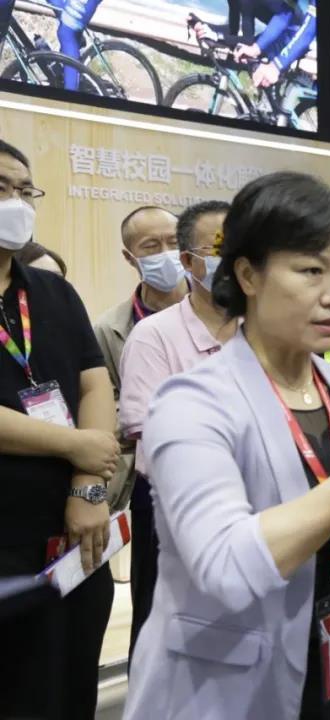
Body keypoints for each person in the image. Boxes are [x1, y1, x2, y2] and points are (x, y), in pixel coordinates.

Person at [123, 172, 330, 719]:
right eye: (310, 271)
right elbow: (227, 566)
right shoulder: (191, 403)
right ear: (247, 274)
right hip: (226, 690)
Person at [0, 138, 119, 720]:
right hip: (5, 543)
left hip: (76, 539)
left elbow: (95, 384)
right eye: (1, 188)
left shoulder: (51, 291)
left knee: (70, 691)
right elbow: (86, 435)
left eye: (25, 190)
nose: (16, 202)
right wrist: (78, 445)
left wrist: (87, 490)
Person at [117, 200, 236, 659]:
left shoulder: (268, 329)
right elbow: (150, 432)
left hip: (260, 510)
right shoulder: (154, 336)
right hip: (177, 511)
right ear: (189, 260)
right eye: (217, 249)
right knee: (168, 639)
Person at [94, 206, 184, 510]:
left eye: (174, 242)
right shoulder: (110, 327)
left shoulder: (219, 312)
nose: (166, 253)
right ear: (129, 257)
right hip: (147, 472)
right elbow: (105, 403)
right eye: (151, 246)